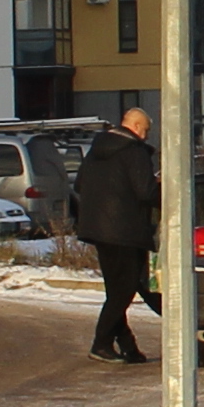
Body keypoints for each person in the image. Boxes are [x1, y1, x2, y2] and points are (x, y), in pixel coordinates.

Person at [74, 102, 162, 364]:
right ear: (135, 127)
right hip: (126, 231)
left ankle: (128, 347)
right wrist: (170, 193)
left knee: (118, 290)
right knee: (124, 291)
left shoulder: (96, 150)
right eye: (145, 130)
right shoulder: (134, 152)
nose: (146, 136)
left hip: (99, 229)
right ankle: (100, 344)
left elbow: (79, 184)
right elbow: (146, 192)